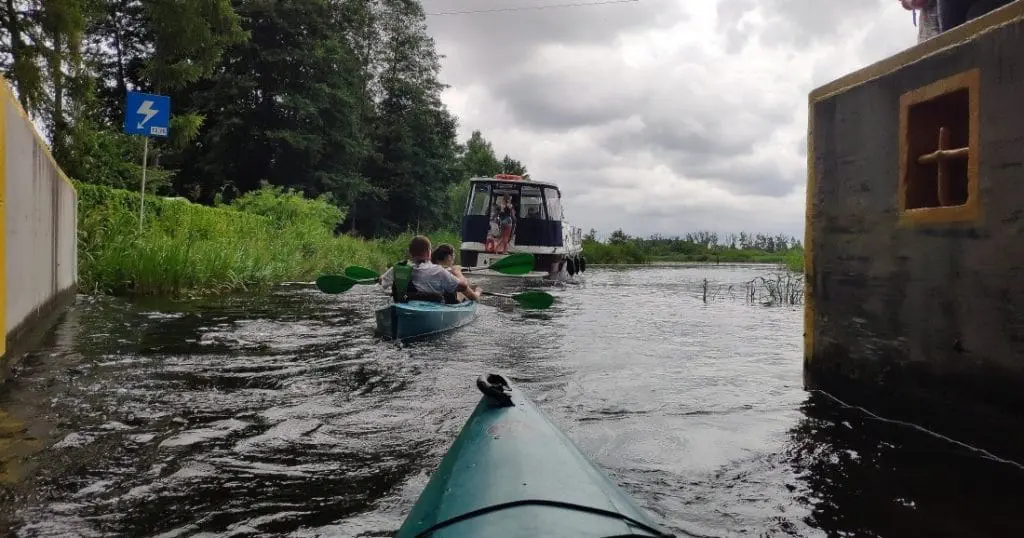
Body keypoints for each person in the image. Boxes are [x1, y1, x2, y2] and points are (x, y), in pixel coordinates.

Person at [379, 235, 481, 304]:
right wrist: (458, 272)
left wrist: (381, 278)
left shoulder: (397, 268)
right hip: (431, 308)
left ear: (410, 253)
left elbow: (381, 283)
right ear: (429, 253)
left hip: (404, 304)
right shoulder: (439, 271)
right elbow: (463, 286)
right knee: (456, 292)